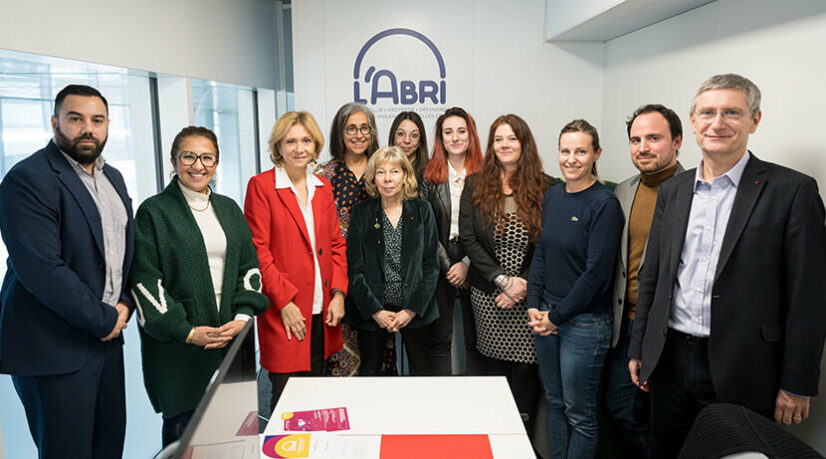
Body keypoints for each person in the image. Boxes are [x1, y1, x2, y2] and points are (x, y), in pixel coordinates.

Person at [629, 74, 826, 458]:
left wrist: (797, 383)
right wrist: (640, 348)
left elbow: (809, 295)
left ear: (754, 120)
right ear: (693, 120)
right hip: (669, 359)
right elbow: (653, 274)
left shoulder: (792, 191)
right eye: (708, 112)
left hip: (745, 367)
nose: (717, 123)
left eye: (731, 112)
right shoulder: (675, 189)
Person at [0, 84, 134, 458]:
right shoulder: (27, 179)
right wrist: (106, 318)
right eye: (75, 119)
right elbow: (43, 270)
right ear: (56, 121)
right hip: (54, 348)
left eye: (97, 120)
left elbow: (123, 254)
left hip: (107, 345)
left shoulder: (114, 179)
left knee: (108, 448)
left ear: (108, 125)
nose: (87, 128)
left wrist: (125, 304)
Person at [129, 126, 268, 446]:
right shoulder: (154, 211)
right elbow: (145, 280)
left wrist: (243, 318)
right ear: (174, 161)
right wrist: (187, 331)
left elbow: (250, 268)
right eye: (188, 156)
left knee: (235, 437)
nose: (198, 165)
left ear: (216, 163)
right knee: (186, 437)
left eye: (207, 157)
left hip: (232, 340)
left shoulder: (229, 209)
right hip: (181, 347)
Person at [527, 119, 624, 458]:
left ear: (596, 153)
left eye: (580, 151)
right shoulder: (553, 195)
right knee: (555, 403)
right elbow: (541, 252)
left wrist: (556, 316)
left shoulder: (604, 204)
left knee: (579, 414)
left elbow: (595, 275)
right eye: (565, 151)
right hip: (546, 317)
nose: (571, 159)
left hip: (583, 325)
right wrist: (533, 305)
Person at [459, 114, 557, 438]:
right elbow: (469, 239)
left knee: (527, 372)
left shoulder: (547, 186)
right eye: (499, 139)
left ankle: (524, 440)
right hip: (489, 294)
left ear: (524, 143)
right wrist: (502, 280)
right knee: (495, 370)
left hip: (529, 296)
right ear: (491, 146)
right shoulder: (475, 184)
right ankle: (498, 437)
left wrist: (522, 285)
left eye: (512, 138)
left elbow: (547, 243)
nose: (505, 145)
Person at [245, 111, 348, 410]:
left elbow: (336, 244)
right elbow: (258, 252)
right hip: (285, 310)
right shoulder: (262, 187)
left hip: (322, 308)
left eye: (306, 140)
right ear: (278, 147)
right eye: (290, 141)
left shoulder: (322, 187)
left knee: (314, 399)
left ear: (315, 146)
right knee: (286, 404)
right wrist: (285, 303)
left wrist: (338, 294)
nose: (299, 148)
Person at [603, 104, 685, 458]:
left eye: (654, 138)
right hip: (626, 324)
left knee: (666, 417)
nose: (643, 147)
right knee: (621, 409)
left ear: (677, 141)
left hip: (670, 329)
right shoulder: (623, 190)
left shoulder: (694, 191)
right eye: (636, 140)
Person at [316, 102, 396, 376]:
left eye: (365, 128)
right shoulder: (322, 176)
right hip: (337, 280)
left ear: (372, 132)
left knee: (376, 363)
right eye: (351, 128)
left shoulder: (385, 171)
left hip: (379, 282)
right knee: (341, 359)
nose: (359, 134)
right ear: (340, 134)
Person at [346, 146, 440, 376]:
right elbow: (354, 269)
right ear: (373, 178)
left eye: (395, 171)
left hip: (415, 309)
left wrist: (410, 310)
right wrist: (375, 311)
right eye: (381, 172)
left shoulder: (422, 210)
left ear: (405, 176)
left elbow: (431, 266)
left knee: (423, 374)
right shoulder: (361, 213)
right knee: (370, 374)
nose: (388, 178)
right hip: (375, 310)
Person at [419, 107, 484, 375]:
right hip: (440, 259)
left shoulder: (486, 175)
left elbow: (490, 227)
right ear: (440, 138)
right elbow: (426, 228)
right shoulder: (428, 175)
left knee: (478, 340)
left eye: (461, 131)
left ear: (470, 135)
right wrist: (449, 266)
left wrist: (468, 263)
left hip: (478, 260)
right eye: (448, 132)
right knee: (440, 339)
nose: (455, 137)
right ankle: (443, 403)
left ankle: (478, 403)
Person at [388, 111, 428, 179]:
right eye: (401, 134)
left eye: (414, 135)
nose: (407, 140)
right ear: (393, 137)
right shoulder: (381, 168)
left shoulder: (430, 171)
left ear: (420, 140)